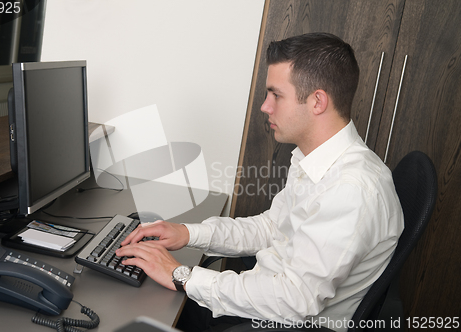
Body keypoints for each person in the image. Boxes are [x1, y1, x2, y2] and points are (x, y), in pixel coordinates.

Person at [115, 33, 404, 331]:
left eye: (276, 95)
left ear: (317, 101)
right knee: (141, 299)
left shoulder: (351, 189)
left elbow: (295, 301)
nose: (265, 106)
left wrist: (182, 276)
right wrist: (188, 233)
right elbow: (272, 228)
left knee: (134, 313)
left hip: (279, 321)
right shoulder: (314, 159)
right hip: (263, 298)